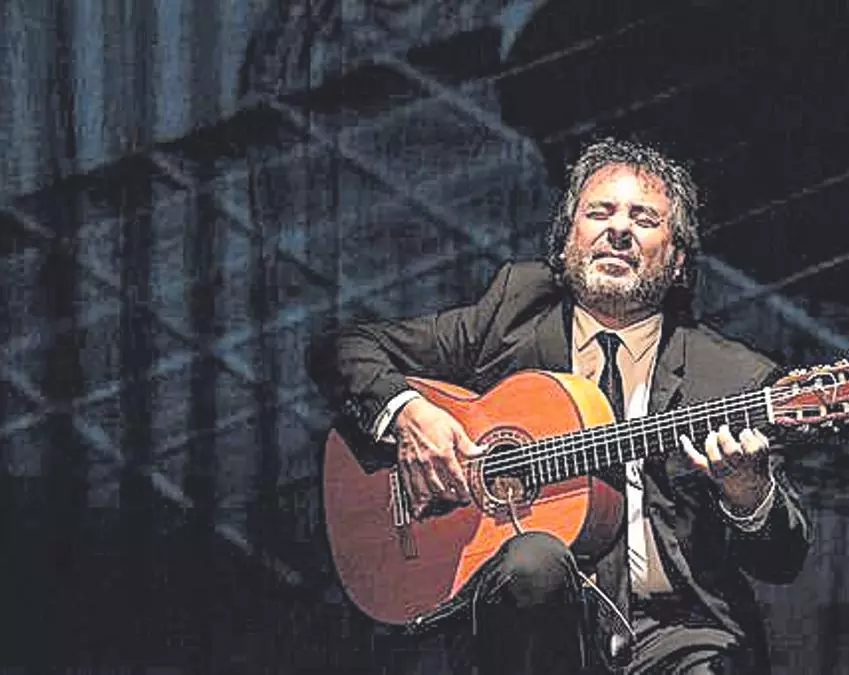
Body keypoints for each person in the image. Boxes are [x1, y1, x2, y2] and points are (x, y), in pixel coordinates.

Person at [308, 138, 814, 674]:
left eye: (644, 219)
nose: (619, 230)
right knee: (535, 560)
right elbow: (343, 349)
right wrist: (410, 414)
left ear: (678, 261)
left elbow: (783, 561)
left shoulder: (734, 380)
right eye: (600, 212)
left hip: (676, 634)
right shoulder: (512, 314)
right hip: (536, 630)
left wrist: (749, 495)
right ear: (568, 238)